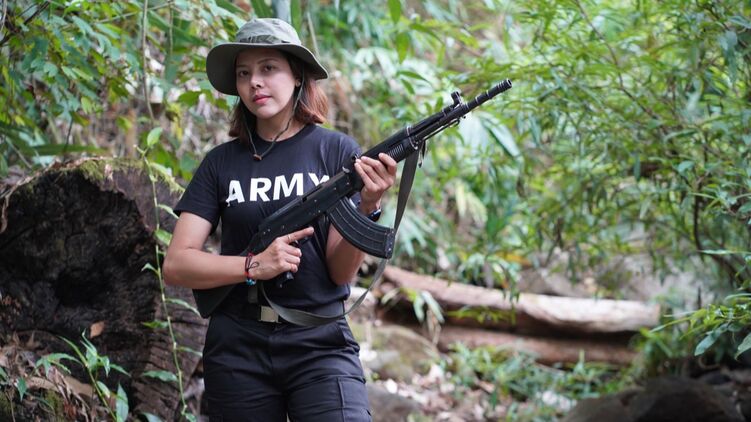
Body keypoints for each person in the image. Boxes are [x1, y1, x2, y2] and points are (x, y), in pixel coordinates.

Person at [163, 17, 397, 422]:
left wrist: (367, 207)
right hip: (238, 347)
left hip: (320, 341)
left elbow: (341, 273)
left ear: (298, 75)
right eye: (244, 73)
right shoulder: (220, 163)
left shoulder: (336, 152)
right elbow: (177, 264)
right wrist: (253, 266)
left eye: (268, 68)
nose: (255, 82)